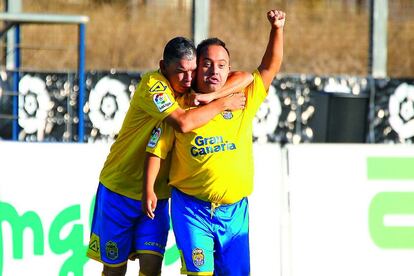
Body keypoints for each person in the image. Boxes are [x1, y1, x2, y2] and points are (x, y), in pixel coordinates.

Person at [87, 36, 252, 276]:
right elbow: (183, 123)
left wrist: (210, 96)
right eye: (180, 72)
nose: (187, 79)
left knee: (152, 267)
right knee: (114, 270)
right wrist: (221, 103)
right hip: (119, 188)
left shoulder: (193, 91)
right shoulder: (154, 86)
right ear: (164, 67)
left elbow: (246, 76)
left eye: (192, 71)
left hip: (158, 195)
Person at [143, 9, 285, 275]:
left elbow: (268, 67)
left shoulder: (244, 99)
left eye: (221, 65)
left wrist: (277, 28)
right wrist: (148, 187)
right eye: (206, 63)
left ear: (229, 70)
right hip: (192, 209)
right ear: (196, 69)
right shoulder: (179, 108)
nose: (213, 70)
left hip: (235, 212)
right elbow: (157, 149)